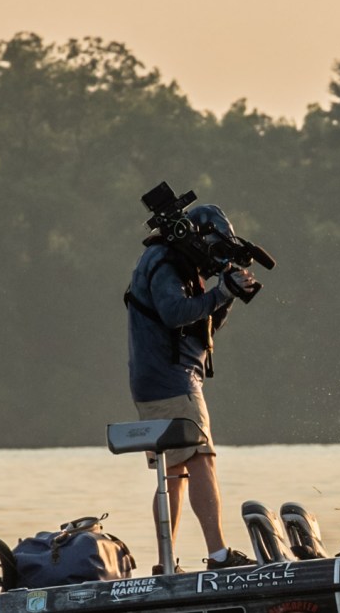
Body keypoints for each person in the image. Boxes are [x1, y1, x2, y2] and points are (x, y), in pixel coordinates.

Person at [125, 203, 258, 572]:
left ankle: (166, 564)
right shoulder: (165, 262)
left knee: (173, 474)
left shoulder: (169, 262)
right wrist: (220, 293)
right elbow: (174, 314)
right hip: (173, 380)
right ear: (196, 237)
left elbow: (200, 326)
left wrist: (227, 293)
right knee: (201, 461)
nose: (214, 259)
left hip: (156, 380)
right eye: (214, 248)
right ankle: (219, 555)